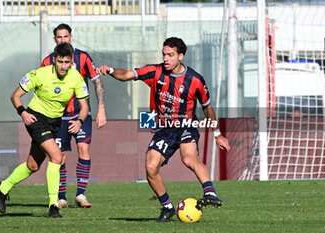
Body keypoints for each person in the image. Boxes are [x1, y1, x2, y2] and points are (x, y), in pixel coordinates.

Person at [96, 37, 230, 222]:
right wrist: (110, 70)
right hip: (164, 129)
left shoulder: (196, 80)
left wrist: (217, 134)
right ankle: (167, 207)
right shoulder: (154, 72)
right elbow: (126, 75)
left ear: (181, 56)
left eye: (171, 55)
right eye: (164, 54)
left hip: (186, 125)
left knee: (189, 159)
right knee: (150, 167)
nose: (166, 58)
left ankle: (210, 193)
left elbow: (207, 108)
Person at [0, 43, 89, 218]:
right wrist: (22, 112)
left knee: (33, 165)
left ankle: (2, 188)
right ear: (54, 60)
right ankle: (53, 205)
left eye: (66, 62)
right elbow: (15, 96)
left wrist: (80, 120)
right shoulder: (40, 74)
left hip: (55, 123)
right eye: (60, 61)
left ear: (71, 62)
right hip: (36, 119)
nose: (63, 66)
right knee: (56, 156)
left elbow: (84, 106)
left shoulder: (76, 77)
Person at [41, 23, 106, 208]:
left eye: (66, 36)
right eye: (59, 37)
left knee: (84, 149)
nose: (63, 40)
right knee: (59, 155)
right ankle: (61, 197)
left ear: (71, 37)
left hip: (81, 114)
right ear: (54, 40)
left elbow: (97, 82)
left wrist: (101, 108)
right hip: (57, 117)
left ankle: (81, 195)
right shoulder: (47, 61)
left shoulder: (83, 57)